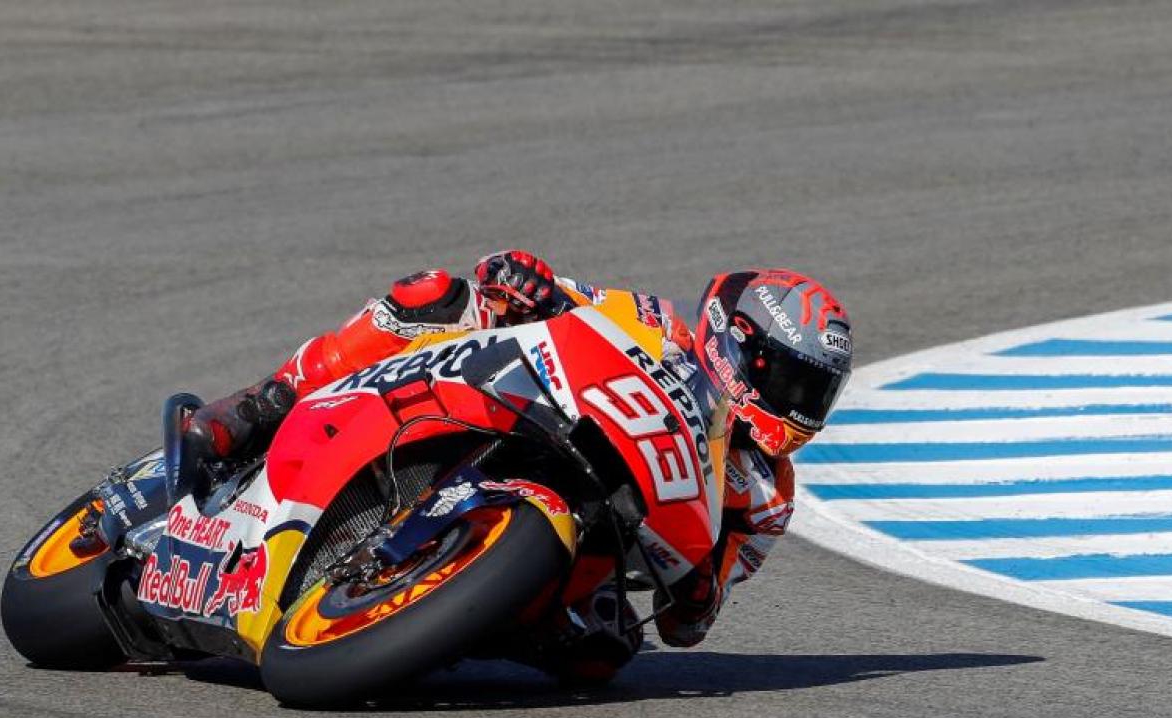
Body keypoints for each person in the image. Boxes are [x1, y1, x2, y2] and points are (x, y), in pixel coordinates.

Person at [184, 250, 854, 675]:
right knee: (435, 294)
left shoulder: (766, 494)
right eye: (793, 383)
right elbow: (528, 283)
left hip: (590, 538)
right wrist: (524, 281)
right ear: (740, 348)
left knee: (604, 652)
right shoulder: (653, 322)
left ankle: (451, 615)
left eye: (815, 393)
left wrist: (700, 592)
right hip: (518, 414)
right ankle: (265, 400)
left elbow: (688, 628)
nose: (800, 407)